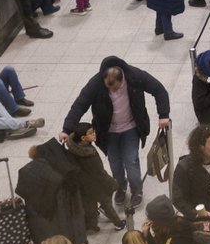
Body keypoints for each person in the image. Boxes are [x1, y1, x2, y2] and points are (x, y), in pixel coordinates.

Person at [60, 57, 171, 209]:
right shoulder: (95, 84)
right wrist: (66, 129)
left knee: (131, 160)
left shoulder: (135, 76)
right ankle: (120, 187)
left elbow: (159, 90)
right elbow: (80, 105)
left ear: (122, 78)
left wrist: (163, 114)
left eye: (116, 88)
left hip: (131, 127)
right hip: (108, 131)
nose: (113, 91)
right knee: (115, 162)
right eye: (109, 88)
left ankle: (137, 190)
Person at [65, 122, 126, 232]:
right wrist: (113, 183)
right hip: (95, 184)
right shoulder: (89, 155)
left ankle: (91, 225)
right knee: (106, 202)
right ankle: (118, 224)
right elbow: (100, 173)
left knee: (89, 204)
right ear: (83, 138)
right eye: (91, 133)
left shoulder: (73, 148)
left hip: (82, 183)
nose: (94, 134)